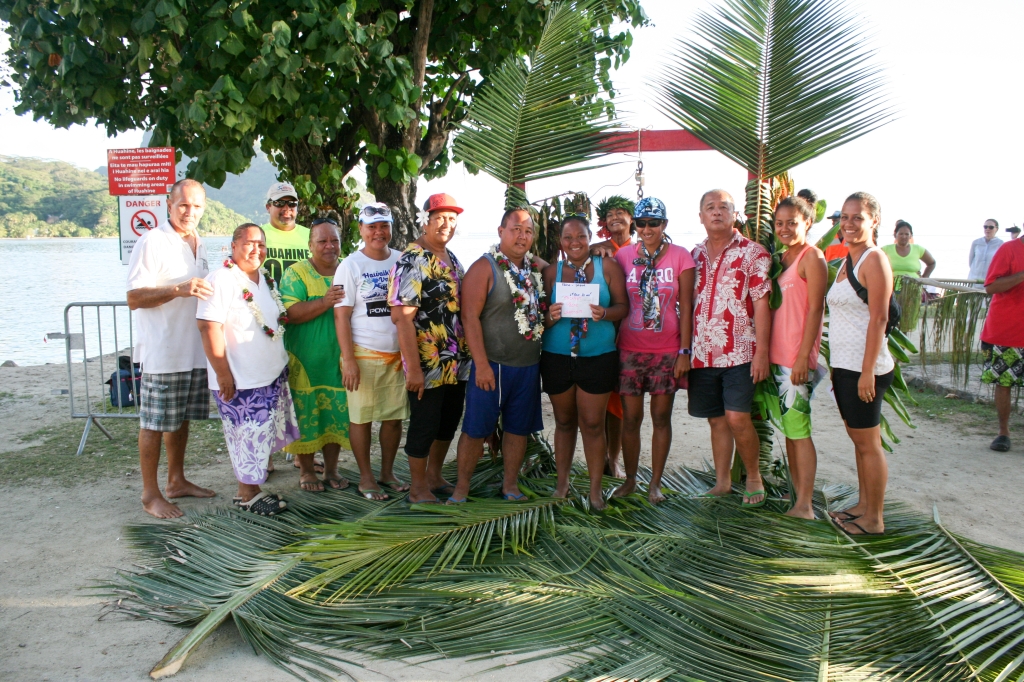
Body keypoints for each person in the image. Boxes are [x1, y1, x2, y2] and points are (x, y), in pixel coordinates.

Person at [126, 179, 216, 519]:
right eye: (183, 205)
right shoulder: (152, 240)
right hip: (163, 351)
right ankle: (151, 495)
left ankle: (176, 480)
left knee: (179, 421)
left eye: (196, 206)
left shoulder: (199, 242)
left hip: (194, 350)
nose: (189, 212)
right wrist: (177, 289)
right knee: (153, 422)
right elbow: (134, 298)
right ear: (168, 203)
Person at [197, 224, 299, 516]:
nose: (256, 249)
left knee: (260, 437)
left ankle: (252, 490)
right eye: (249, 243)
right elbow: (207, 326)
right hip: (240, 379)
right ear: (233, 246)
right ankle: (246, 496)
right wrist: (223, 374)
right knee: (246, 436)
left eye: (261, 244)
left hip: (268, 375)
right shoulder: (221, 279)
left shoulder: (263, 279)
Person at [450, 208, 548, 504]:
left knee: (518, 430)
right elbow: (469, 317)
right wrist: (481, 365)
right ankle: (461, 489)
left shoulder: (533, 269)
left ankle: (510, 485)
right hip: (491, 366)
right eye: (516, 229)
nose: (522, 235)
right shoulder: (485, 267)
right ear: (500, 231)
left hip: (528, 366)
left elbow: (553, 278)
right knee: (476, 429)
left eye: (528, 231)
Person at [689, 189, 772, 508]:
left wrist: (762, 352)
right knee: (717, 420)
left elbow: (761, 303)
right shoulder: (692, 256)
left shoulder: (753, 253)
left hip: (741, 352)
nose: (717, 212)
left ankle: (753, 477)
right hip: (702, 352)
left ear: (735, 215)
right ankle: (722, 482)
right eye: (710, 207)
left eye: (724, 207)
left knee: (738, 417)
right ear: (701, 216)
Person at [541, 215, 628, 509]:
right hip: (557, 357)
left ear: (590, 238)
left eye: (580, 237)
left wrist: (604, 313)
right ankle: (562, 485)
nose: (574, 243)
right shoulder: (552, 272)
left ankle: (594, 490)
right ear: (560, 242)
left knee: (592, 425)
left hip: (598, 356)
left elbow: (622, 307)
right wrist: (550, 317)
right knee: (564, 422)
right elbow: (537, 320)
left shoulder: (608, 268)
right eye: (568, 238)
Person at [388, 193, 470, 504]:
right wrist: (414, 369)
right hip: (427, 360)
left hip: (457, 359)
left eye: (452, 219)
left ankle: (434, 477)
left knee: (448, 420)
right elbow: (401, 317)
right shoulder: (413, 259)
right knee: (424, 423)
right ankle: (417, 487)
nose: (446, 224)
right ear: (426, 220)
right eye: (440, 218)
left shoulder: (453, 258)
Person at [613, 197, 695, 505]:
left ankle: (655, 484)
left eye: (654, 223)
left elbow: (686, 307)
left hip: (668, 349)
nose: (647, 229)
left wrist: (685, 351)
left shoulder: (681, 257)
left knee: (661, 418)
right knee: (630, 419)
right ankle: (632, 480)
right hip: (629, 350)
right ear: (635, 224)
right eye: (642, 223)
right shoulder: (622, 256)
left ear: (665, 225)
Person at [826, 192, 896, 536]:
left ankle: (874, 519)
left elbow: (879, 318)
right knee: (859, 441)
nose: (850, 224)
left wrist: (867, 371)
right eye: (845, 217)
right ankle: (863, 506)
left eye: (858, 217)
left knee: (869, 444)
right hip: (845, 366)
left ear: (874, 221)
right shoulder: (846, 260)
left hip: (864, 368)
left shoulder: (874, 259)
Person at [335, 204, 410, 499]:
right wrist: (349, 361)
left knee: (393, 418)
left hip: (396, 354)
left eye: (384, 226)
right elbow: (341, 315)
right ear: (361, 230)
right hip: (363, 352)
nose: (378, 232)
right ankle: (366, 478)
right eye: (372, 227)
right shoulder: (350, 265)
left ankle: (387, 472)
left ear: (391, 227)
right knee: (362, 417)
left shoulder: (402, 260)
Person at [278, 218, 351, 493]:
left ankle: (332, 469)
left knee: (335, 414)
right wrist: (324, 301)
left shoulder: (349, 269)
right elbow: (291, 314)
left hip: (340, 358)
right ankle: (307, 470)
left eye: (334, 240)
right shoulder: (296, 273)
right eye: (322, 241)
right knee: (306, 413)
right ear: (310, 245)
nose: (329, 246)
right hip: (304, 359)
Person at [770, 196, 827, 520]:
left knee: (799, 430)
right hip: (780, 358)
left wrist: (804, 357)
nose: (785, 228)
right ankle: (798, 496)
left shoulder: (812, 257)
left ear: (807, 222)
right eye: (780, 223)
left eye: (793, 222)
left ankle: (805, 505)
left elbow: (816, 309)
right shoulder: (781, 257)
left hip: (796, 359)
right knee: (791, 430)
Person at [592, 196, 635, 479]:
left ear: (632, 218)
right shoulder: (597, 251)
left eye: (621, 212)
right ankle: (602, 458)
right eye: (610, 214)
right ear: (603, 222)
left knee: (622, 403)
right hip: (604, 332)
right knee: (603, 401)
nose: (616, 217)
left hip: (634, 334)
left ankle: (615, 460)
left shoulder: (642, 248)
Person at [980, 235, 1024, 452]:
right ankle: (1003, 432)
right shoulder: (1009, 250)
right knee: (1004, 382)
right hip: (1007, 331)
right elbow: (991, 286)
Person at [262, 182, 311, 282]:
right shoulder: (257, 236)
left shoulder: (313, 236)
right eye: (279, 203)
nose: (286, 208)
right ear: (268, 207)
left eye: (292, 204)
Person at [881, 220, 936, 289]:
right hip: (890, 290)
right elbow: (874, 265)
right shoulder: (885, 249)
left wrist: (924, 279)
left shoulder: (918, 249)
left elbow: (932, 263)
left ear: (911, 236)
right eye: (901, 234)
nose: (904, 237)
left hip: (913, 291)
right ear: (895, 234)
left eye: (907, 234)